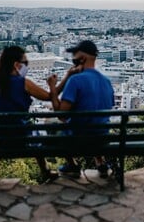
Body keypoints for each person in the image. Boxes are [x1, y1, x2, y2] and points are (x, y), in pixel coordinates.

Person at [0, 46, 73, 182]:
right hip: (20, 135)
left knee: (7, 128)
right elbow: (49, 96)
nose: (27, 66)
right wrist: (58, 82)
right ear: (16, 64)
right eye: (25, 63)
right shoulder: (23, 83)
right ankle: (49, 169)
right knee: (44, 128)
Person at [47, 40, 115, 178]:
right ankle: (100, 162)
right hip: (102, 137)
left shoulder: (75, 81)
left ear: (82, 59)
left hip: (78, 138)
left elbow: (62, 116)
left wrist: (53, 88)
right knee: (95, 122)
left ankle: (72, 164)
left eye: (74, 61)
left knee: (50, 124)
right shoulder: (107, 82)